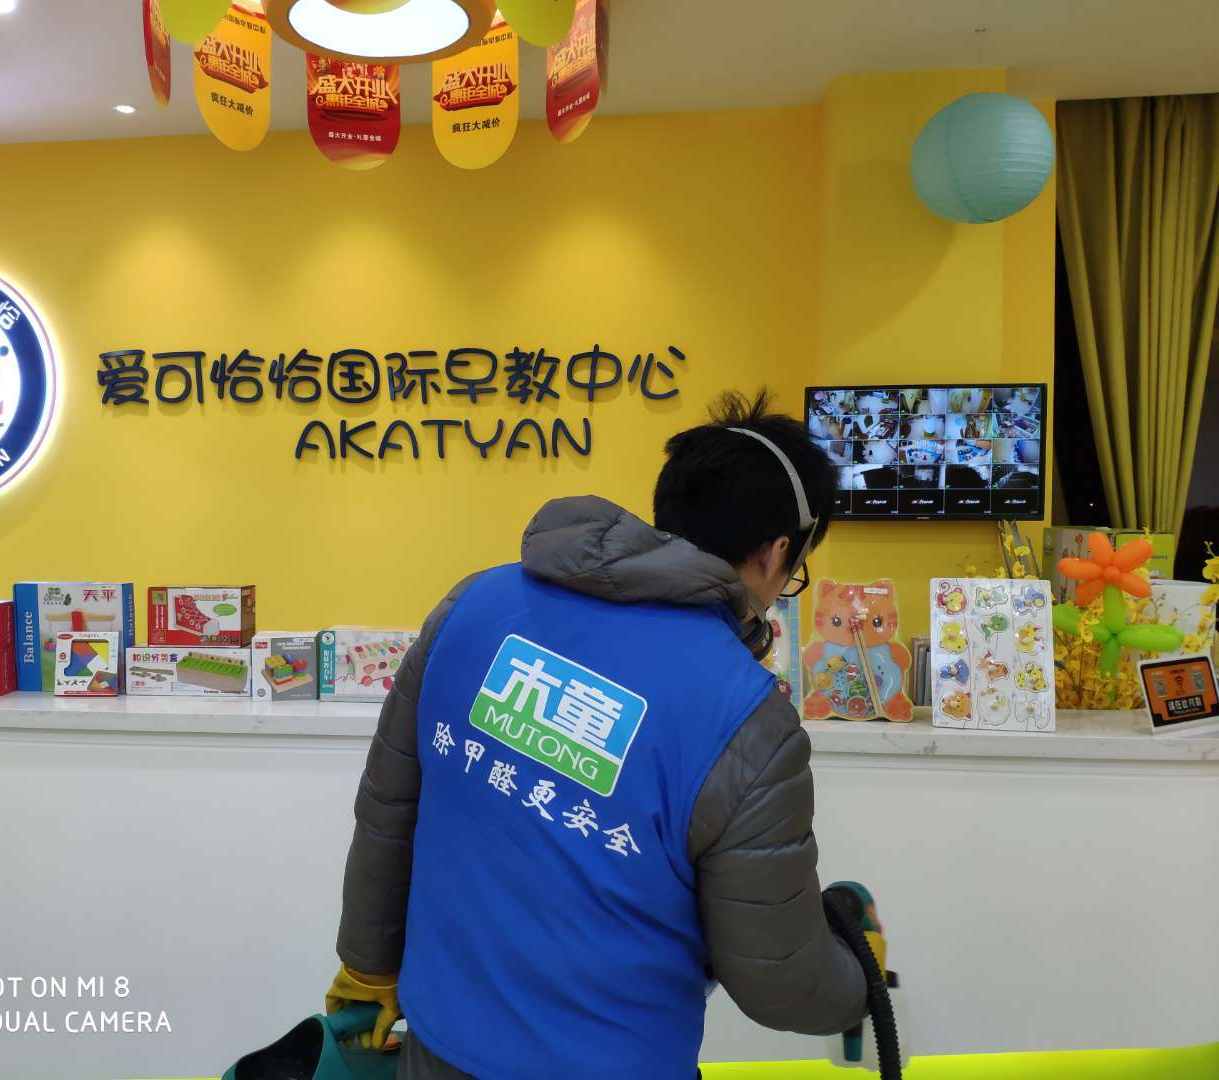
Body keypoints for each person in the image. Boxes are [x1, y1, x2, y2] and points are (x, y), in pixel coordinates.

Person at [325, 389, 871, 1079]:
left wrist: (368, 966)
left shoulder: (475, 604)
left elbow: (388, 808)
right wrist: (860, 977)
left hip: (437, 1052)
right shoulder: (746, 716)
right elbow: (779, 979)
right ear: (777, 552)